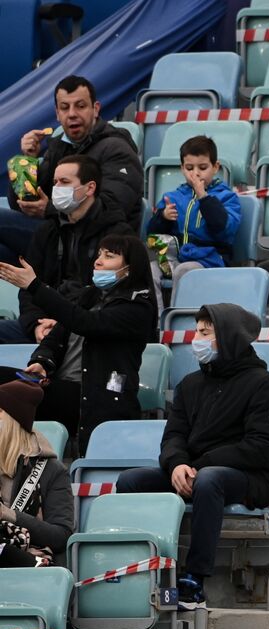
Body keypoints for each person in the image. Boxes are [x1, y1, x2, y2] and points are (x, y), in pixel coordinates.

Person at [116, 304, 269, 607]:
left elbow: (260, 447)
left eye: (205, 332)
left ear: (229, 337)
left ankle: (194, 581)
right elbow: (173, 436)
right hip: (193, 470)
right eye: (197, 331)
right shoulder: (190, 384)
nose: (197, 339)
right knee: (131, 481)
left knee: (209, 480)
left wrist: (197, 465)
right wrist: (177, 464)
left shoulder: (264, 385)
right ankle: (142, 567)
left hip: (250, 476)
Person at [0, 233, 157, 453]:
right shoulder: (89, 297)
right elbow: (55, 338)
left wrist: (35, 286)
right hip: (59, 387)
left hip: (93, 395)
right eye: (99, 254)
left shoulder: (138, 307)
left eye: (109, 256)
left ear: (129, 269)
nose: (98, 260)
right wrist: (42, 362)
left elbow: (86, 323)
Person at [2, 76, 142, 263]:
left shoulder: (117, 148)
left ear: (96, 109)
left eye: (80, 106)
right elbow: (20, 203)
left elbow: (113, 210)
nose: (72, 114)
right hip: (59, 237)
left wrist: (49, 210)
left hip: (98, 246)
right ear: (57, 114)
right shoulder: (59, 147)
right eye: (65, 108)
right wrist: (28, 161)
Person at [0, 155, 132, 345]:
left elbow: (110, 296)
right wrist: (36, 326)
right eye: (55, 182)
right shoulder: (47, 231)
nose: (57, 188)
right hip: (44, 323)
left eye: (65, 182)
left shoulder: (118, 234)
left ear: (90, 188)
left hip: (88, 326)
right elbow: (28, 290)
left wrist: (63, 322)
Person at [147, 135, 243, 286]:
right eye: (189, 168)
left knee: (185, 271)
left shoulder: (227, 197)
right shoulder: (173, 197)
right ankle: (157, 311)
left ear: (215, 167)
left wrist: (203, 198)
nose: (196, 173)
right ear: (182, 168)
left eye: (203, 168)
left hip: (210, 259)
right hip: (175, 258)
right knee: (148, 270)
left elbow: (225, 229)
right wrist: (163, 217)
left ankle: (178, 310)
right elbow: (152, 234)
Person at [0, 380, 72, 565]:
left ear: (12, 421)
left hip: (30, 562)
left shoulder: (52, 470)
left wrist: (7, 514)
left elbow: (60, 536)